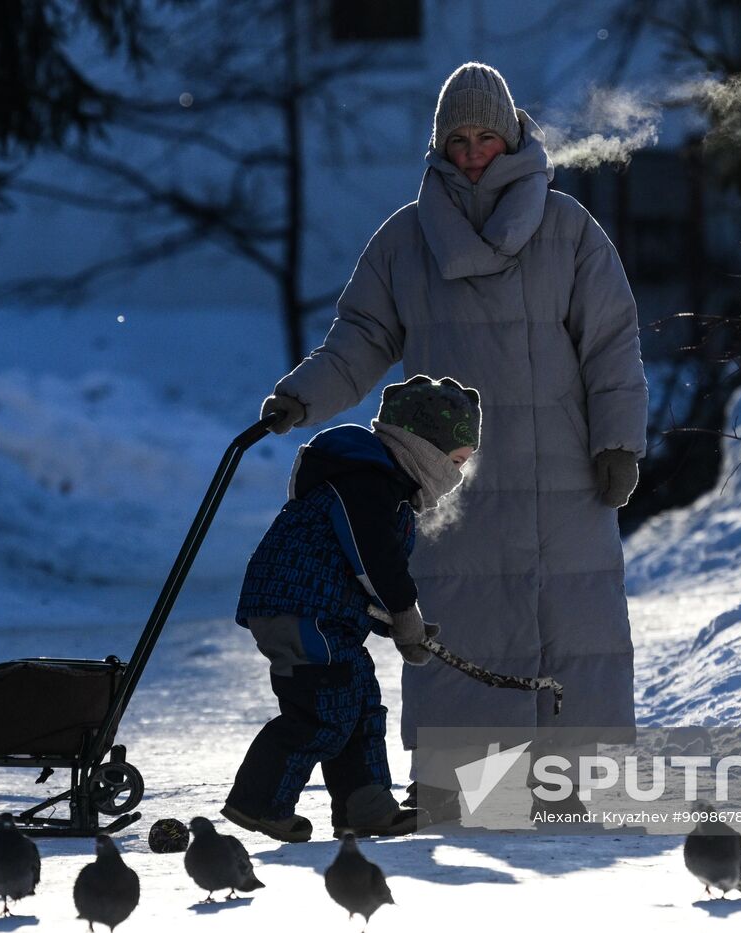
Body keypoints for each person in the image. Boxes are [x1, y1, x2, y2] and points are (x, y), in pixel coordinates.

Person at [259, 62, 647, 820]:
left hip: (563, 471)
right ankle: (459, 786)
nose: (472, 154)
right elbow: (359, 340)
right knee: (461, 622)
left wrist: (619, 443)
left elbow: (611, 343)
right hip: (447, 478)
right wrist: (301, 396)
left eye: (485, 138)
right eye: (458, 141)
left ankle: (578, 783)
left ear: (512, 138)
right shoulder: (405, 240)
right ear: (439, 147)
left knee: (575, 626)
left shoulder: (569, 230)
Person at [223, 375, 483, 842]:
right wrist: (404, 614)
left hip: (324, 614)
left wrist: (394, 623)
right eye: (456, 462)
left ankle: (366, 808)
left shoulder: (382, 483)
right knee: (322, 710)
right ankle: (259, 802)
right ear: (426, 448)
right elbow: (373, 559)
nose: (457, 477)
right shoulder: (366, 481)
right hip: (299, 610)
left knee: (358, 702)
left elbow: (353, 575)